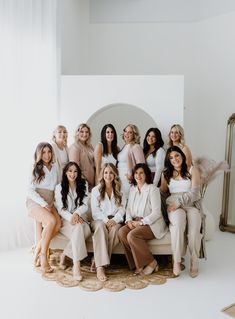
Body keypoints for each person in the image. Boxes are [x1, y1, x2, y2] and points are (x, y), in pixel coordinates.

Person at [160, 146, 205, 278]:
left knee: (193, 231)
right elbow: (163, 192)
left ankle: (195, 260)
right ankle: (177, 260)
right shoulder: (166, 173)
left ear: (182, 156)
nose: (175, 159)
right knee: (178, 225)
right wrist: (162, 210)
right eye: (171, 158)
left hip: (190, 204)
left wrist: (179, 202)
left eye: (177, 155)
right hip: (173, 206)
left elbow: (195, 192)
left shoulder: (192, 170)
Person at [118, 163, 168, 275]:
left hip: (151, 223)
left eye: (141, 173)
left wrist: (140, 222)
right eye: (136, 173)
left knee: (132, 235)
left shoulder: (152, 189)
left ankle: (151, 262)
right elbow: (129, 209)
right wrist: (129, 220)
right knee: (121, 232)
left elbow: (156, 213)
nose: (138, 176)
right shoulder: (133, 189)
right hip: (136, 221)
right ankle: (137, 264)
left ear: (146, 175)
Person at [26, 142, 61, 273]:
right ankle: (43, 257)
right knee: (51, 221)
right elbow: (30, 190)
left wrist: (54, 204)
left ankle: (38, 248)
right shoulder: (34, 167)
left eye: (49, 152)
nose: (47, 155)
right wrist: (43, 203)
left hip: (50, 201)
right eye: (44, 152)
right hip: (36, 201)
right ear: (39, 154)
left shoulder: (55, 167)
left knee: (57, 225)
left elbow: (57, 187)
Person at [54, 162, 90, 281]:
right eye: (70, 171)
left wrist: (77, 213)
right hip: (66, 221)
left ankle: (65, 254)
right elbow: (60, 209)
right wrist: (71, 217)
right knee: (78, 228)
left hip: (81, 218)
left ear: (78, 173)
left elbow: (85, 204)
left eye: (75, 171)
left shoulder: (83, 184)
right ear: (65, 172)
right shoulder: (59, 187)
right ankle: (77, 266)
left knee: (82, 228)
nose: (72, 174)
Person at [91, 163, 125, 281]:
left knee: (116, 230)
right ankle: (100, 267)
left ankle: (98, 261)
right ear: (102, 174)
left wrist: (114, 220)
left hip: (116, 220)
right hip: (99, 220)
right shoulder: (96, 190)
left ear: (115, 174)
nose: (108, 175)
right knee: (100, 227)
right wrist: (106, 221)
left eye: (111, 172)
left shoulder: (121, 189)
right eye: (106, 172)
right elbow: (95, 212)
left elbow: (122, 209)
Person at [117, 124, 145, 198]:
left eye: (130, 132)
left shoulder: (136, 147)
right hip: (120, 180)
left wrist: (132, 176)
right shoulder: (125, 146)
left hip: (129, 181)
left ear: (134, 135)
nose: (126, 134)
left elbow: (141, 166)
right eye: (125, 131)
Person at [68, 123, 95, 192]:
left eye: (87, 132)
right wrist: (84, 183)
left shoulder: (90, 146)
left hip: (93, 182)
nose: (84, 134)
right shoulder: (75, 147)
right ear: (77, 133)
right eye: (82, 132)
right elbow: (74, 168)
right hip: (83, 183)